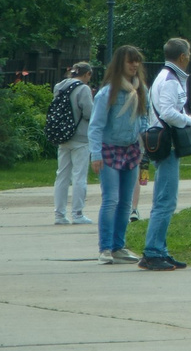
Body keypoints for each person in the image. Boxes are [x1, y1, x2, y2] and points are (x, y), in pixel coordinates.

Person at [144, 38, 191, 272]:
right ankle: (152, 252)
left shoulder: (167, 75)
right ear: (182, 56)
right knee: (166, 200)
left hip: (164, 139)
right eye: (189, 53)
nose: (190, 57)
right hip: (166, 142)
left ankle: (161, 250)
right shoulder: (169, 80)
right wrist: (190, 121)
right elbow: (168, 112)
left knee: (164, 198)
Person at [87, 46, 151, 264]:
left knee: (126, 203)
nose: (134, 66)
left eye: (137, 62)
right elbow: (96, 126)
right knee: (111, 199)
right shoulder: (108, 92)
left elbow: (144, 117)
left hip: (132, 150)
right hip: (109, 150)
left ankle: (119, 246)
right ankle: (105, 248)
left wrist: (144, 141)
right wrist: (95, 154)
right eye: (129, 62)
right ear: (119, 65)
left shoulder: (140, 89)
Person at [50, 61, 97, 225]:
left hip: (63, 137)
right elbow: (89, 113)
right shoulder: (83, 88)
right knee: (79, 176)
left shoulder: (59, 87)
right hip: (80, 138)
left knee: (62, 175)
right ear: (87, 74)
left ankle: (59, 215)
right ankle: (77, 214)